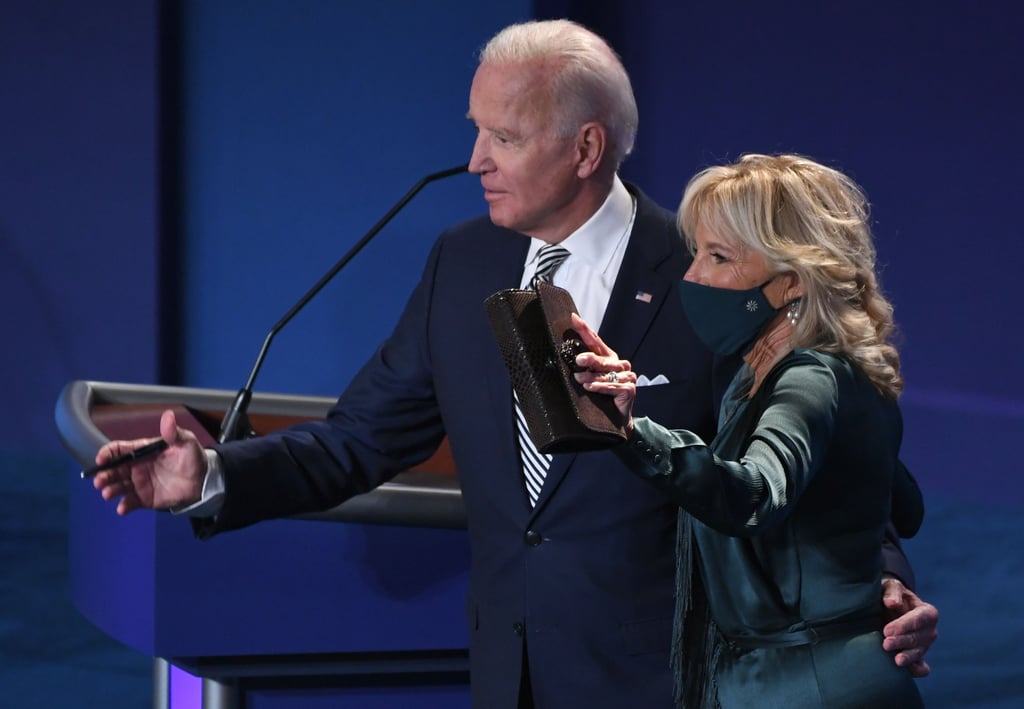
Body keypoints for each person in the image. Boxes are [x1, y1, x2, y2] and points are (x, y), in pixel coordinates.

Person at [90, 21, 936, 709]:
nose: (474, 162)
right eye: (475, 131)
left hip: (670, 683)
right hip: (511, 677)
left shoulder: (708, 269)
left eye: (504, 136)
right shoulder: (461, 267)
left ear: (585, 147)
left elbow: (824, 462)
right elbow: (358, 440)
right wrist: (208, 475)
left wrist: (882, 592)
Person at [573, 153, 928, 707]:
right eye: (697, 253)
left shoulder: (809, 378)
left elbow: (756, 495)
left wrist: (631, 429)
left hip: (808, 686)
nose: (691, 277)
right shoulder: (756, 377)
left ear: (790, 282)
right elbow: (899, 501)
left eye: (719, 257)